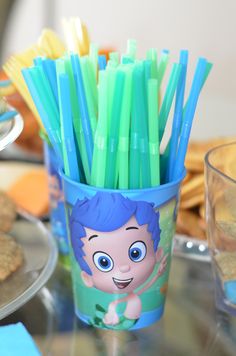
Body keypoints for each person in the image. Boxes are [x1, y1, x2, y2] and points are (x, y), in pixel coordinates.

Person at [70, 192, 167, 327]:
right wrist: (112, 311)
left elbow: (142, 290)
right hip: (125, 322)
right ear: (86, 277)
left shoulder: (130, 296)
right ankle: (105, 321)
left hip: (133, 322)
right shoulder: (124, 299)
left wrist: (158, 273)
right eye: (104, 263)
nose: (124, 267)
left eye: (135, 253)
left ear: (158, 254)